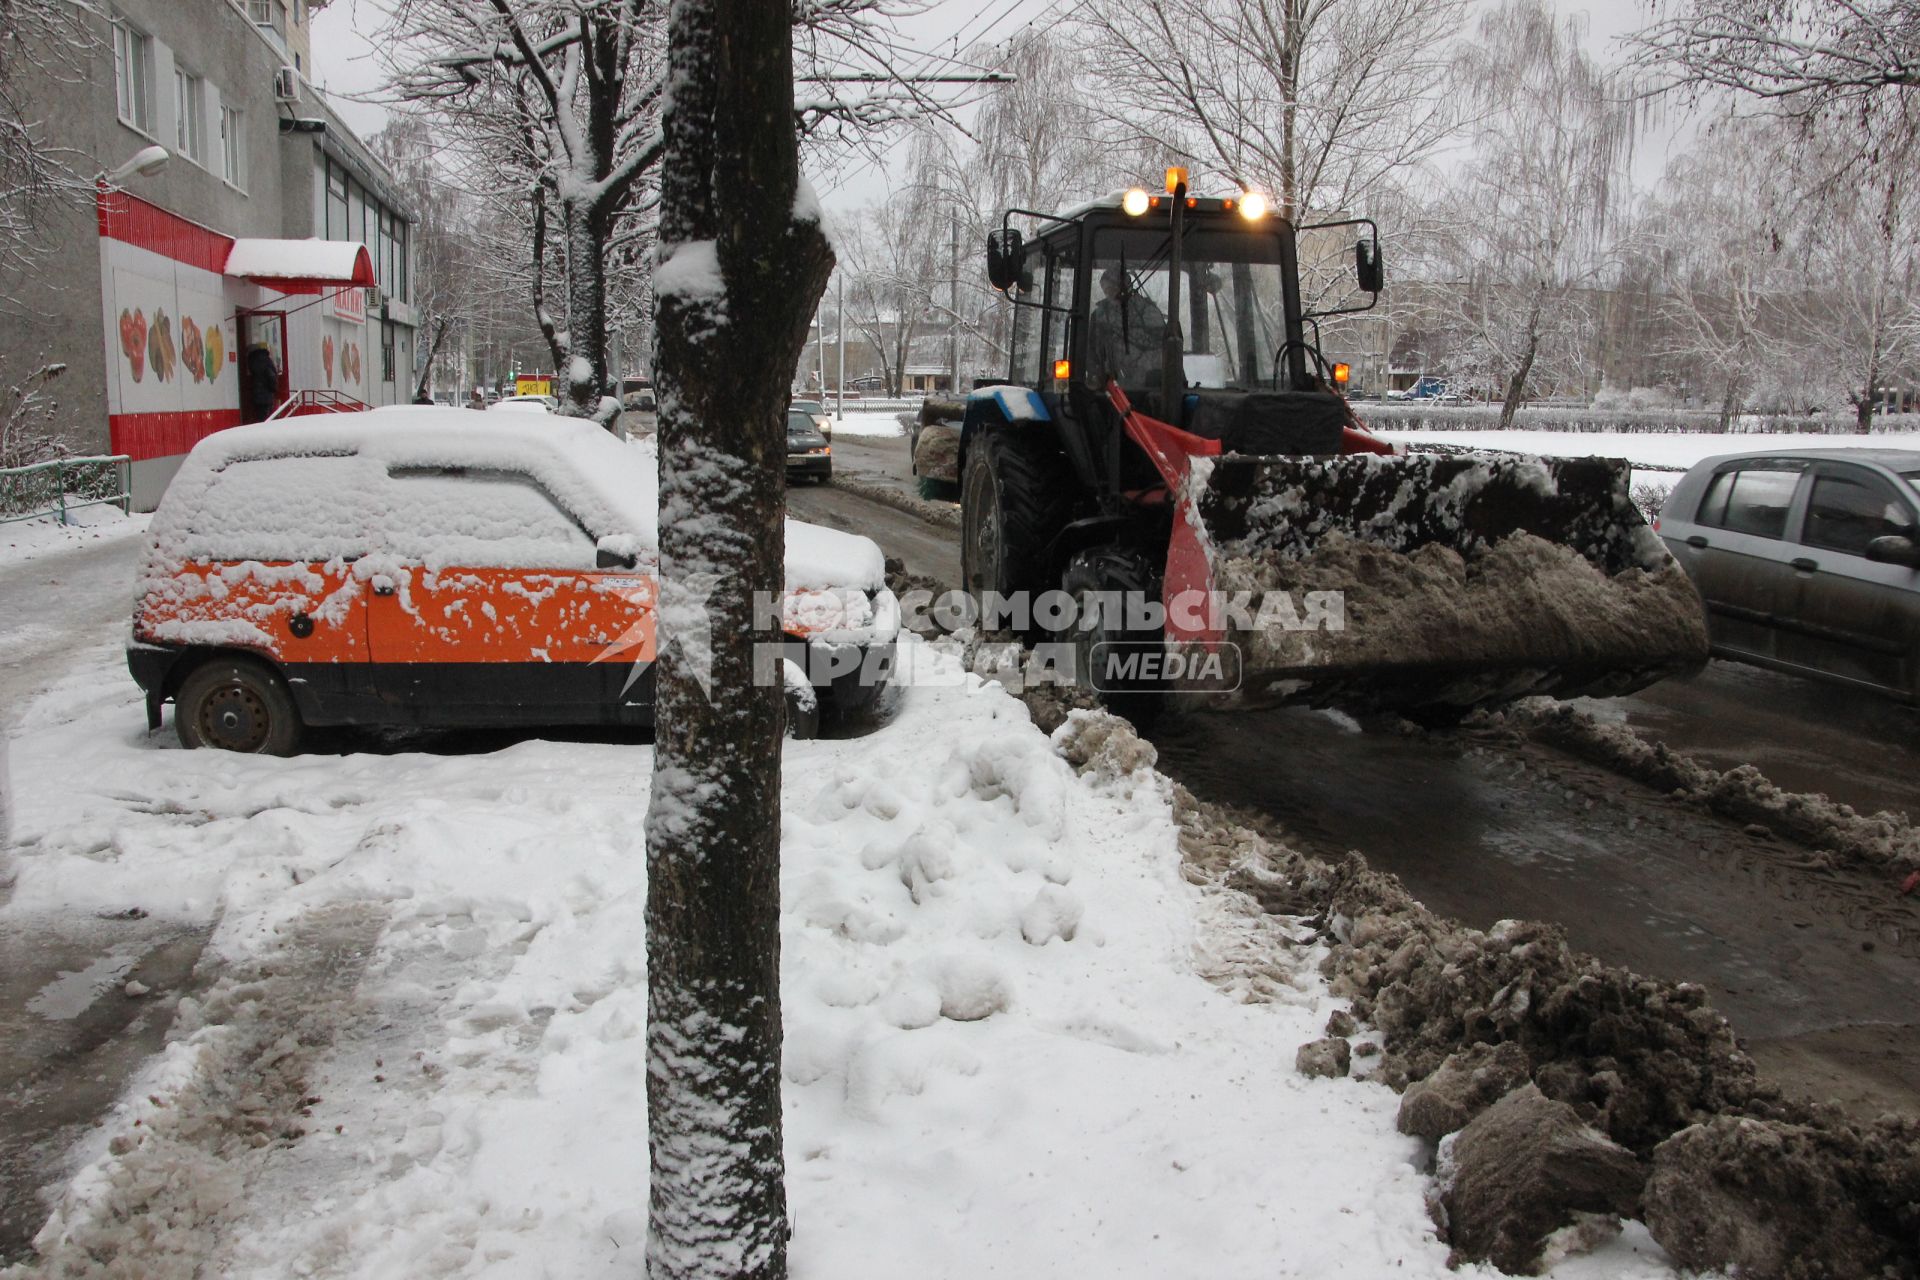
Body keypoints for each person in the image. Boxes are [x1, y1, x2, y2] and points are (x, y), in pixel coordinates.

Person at [1087, 265, 1165, 387]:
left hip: (1148, 385)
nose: (1108, 292)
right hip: (1111, 385)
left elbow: (1161, 349)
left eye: (1111, 288)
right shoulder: (1099, 315)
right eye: (1105, 289)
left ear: (1123, 286)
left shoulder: (1147, 311)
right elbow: (1091, 351)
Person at [244, 345, 280, 422]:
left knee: (259, 416)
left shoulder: (251, 360)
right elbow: (271, 376)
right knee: (267, 417)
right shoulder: (266, 360)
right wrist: (274, 388)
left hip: (256, 393)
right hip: (266, 394)